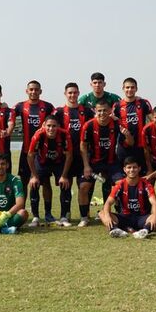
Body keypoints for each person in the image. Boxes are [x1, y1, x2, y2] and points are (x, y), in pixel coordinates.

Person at [79, 99, 133, 227]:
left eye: (105, 110)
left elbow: (130, 143)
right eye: (99, 111)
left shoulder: (116, 123)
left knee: (121, 185)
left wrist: (128, 135)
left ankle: (121, 214)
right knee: (83, 187)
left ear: (110, 111)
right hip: (93, 162)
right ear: (95, 111)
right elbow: (83, 146)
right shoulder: (89, 125)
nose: (102, 113)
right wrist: (86, 166)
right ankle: (84, 217)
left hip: (111, 162)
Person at [53, 82, 94, 226]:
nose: (72, 95)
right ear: (65, 94)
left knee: (83, 186)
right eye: (70, 93)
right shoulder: (58, 112)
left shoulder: (87, 111)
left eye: (75, 92)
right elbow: (49, 128)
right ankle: (64, 215)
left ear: (78, 93)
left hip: (83, 156)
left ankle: (84, 217)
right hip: (65, 157)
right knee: (65, 185)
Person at [13, 80, 55, 205]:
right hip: (26, 150)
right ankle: (21, 209)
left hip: (43, 152)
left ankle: (47, 213)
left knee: (46, 182)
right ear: (27, 91)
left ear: (40, 91)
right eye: (31, 89)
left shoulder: (47, 106)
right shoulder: (20, 106)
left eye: (36, 89)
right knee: (24, 181)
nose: (33, 92)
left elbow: (55, 120)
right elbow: (8, 114)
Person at [27, 115, 73, 227]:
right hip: (42, 162)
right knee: (34, 184)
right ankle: (37, 217)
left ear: (58, 126)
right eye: (48, 126)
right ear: (44, 126)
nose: (51, 129)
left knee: (65, 184)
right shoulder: (38, 135)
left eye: (53, 126)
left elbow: (69, 155)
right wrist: (34, 175)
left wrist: (64, 175)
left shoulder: (64, 134)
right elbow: (30, 155)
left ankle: (63, 217)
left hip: (58, 162)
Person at [98, 156, 156, 239]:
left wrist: (155, 217)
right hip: (124, 217)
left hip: (141, 218)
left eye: (134, 167)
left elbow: (154, 203)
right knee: (102, 213)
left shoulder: (146, 184)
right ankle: (115, 230)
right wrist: (108, 217)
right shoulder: (120, 185)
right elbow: (108, 203)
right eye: (129, 167)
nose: (131, 170)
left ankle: (145, 230)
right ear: (124, 169)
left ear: (139, 168)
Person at [112, 77, 153, 173]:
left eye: (132, 87)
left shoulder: (143, 103)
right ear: (123, 89)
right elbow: (113, 122)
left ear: (136, 89)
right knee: (123, 174)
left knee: (142, 173)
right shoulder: (117, 105)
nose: (129, 90)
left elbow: (153, 121)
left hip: (140, 145)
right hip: (124, 145)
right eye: (127, 87)